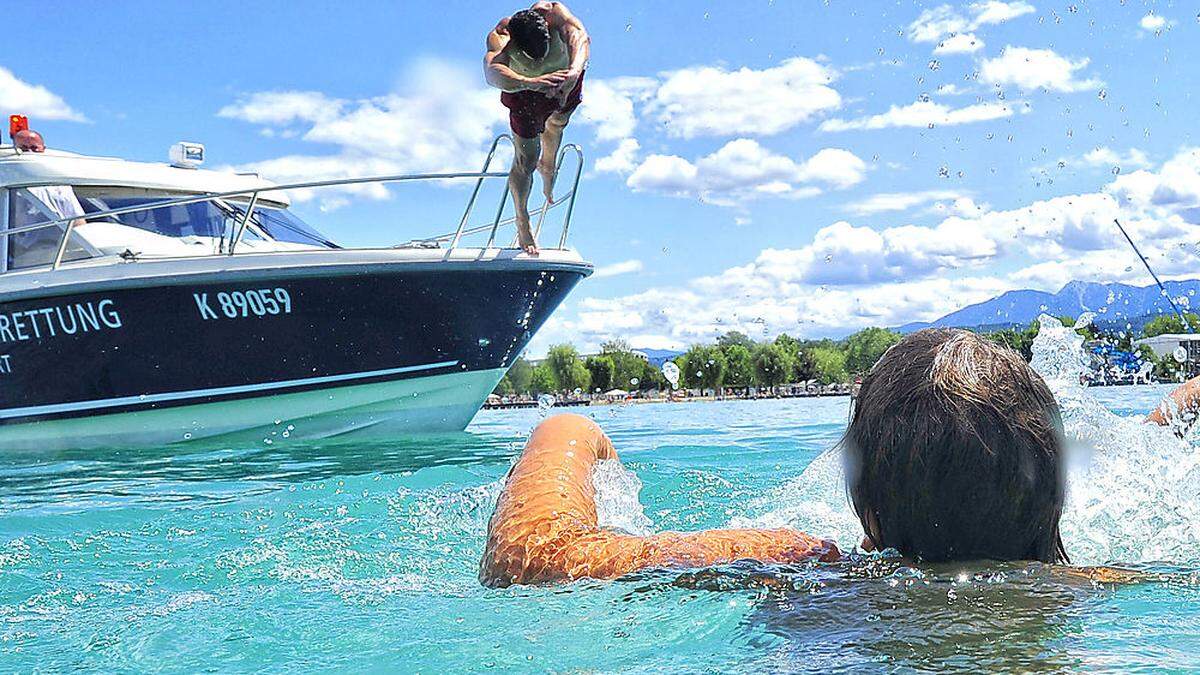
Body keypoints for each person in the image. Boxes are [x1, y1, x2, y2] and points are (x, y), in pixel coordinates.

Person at [480, 328, 1192, 587]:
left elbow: (538, 553)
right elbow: (1146, 445)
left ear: (868, 511)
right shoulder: (1114, 581)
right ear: (1059, 495)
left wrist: (568, 427)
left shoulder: (809, 568)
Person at [484, 2, 589, 256]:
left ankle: (548, 165)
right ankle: (522, 220)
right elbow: (491, 73)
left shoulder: (554, 14)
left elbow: (580, 36)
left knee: (557, 124)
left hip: (566, 77)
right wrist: (530, 81)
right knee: (526, 160)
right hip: (525, 94)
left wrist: (573, 72)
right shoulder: (501, 37)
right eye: (534, 56)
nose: (541, 59)